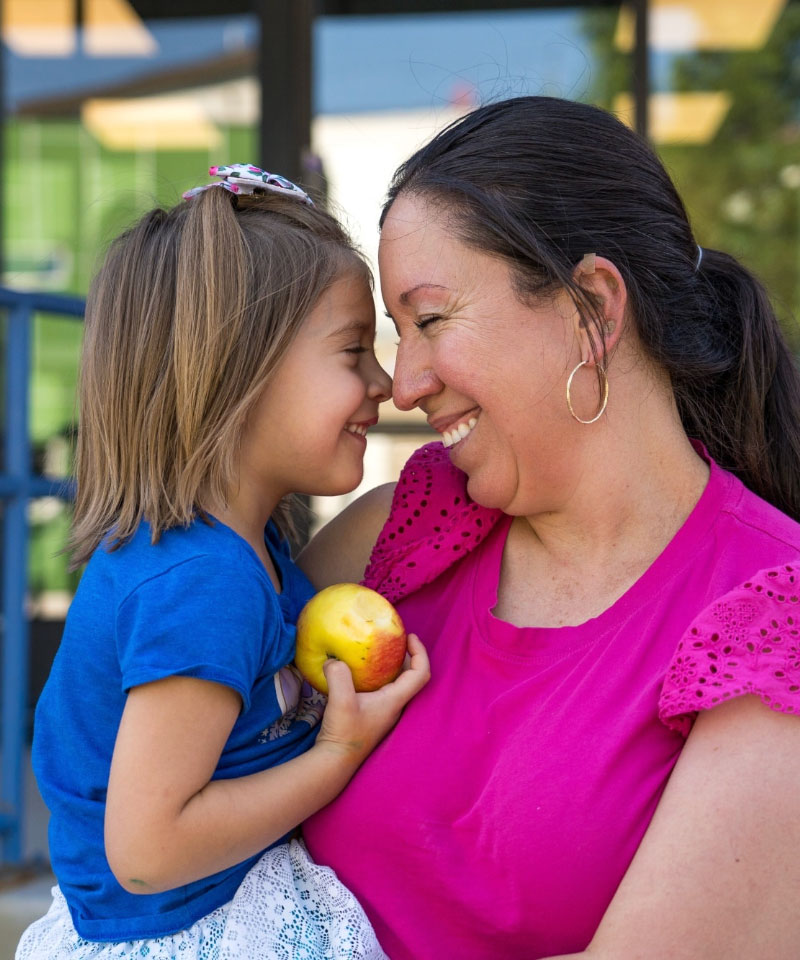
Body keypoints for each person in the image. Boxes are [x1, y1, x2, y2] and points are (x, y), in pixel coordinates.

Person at [298, 97, 800, 959]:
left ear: (593, 308)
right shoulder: (400, 535)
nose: (405, 383)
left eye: (430, 320)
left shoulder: (769, 623)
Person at [16, 164, 429, 960]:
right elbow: (148, 853)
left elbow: (354, 550)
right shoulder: (205, 583)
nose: (386, 383)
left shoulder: (236, 553)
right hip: (187, 933)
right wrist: (339, 753)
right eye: (353, 351)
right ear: (241, 372)